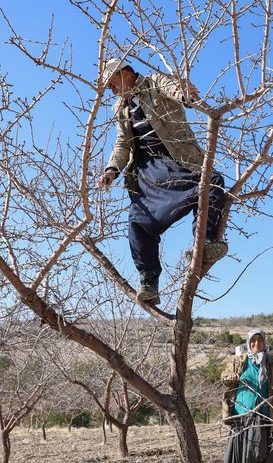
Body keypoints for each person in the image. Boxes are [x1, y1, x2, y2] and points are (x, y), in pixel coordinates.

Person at [97, 58, 228, 305]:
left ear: (125, 74)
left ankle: (206, 241)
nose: (113, 92)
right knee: (138, 221)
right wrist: (111, 169)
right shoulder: (120, 108)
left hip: (179, 159)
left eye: (113, 84)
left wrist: (183, 92)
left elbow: (174, 89)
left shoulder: (155, 83)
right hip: (148, 171)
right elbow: (123, 144)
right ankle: (148, 280)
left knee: (213, 183)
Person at [221, 329, 273, 463]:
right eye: (253, 341)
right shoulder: (238, 362)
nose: (256, 343)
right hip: (242, 420)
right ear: (248, 343)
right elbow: (224, 378)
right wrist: (230, 377)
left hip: (268, 420)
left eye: (260, 340)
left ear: (264, 342)